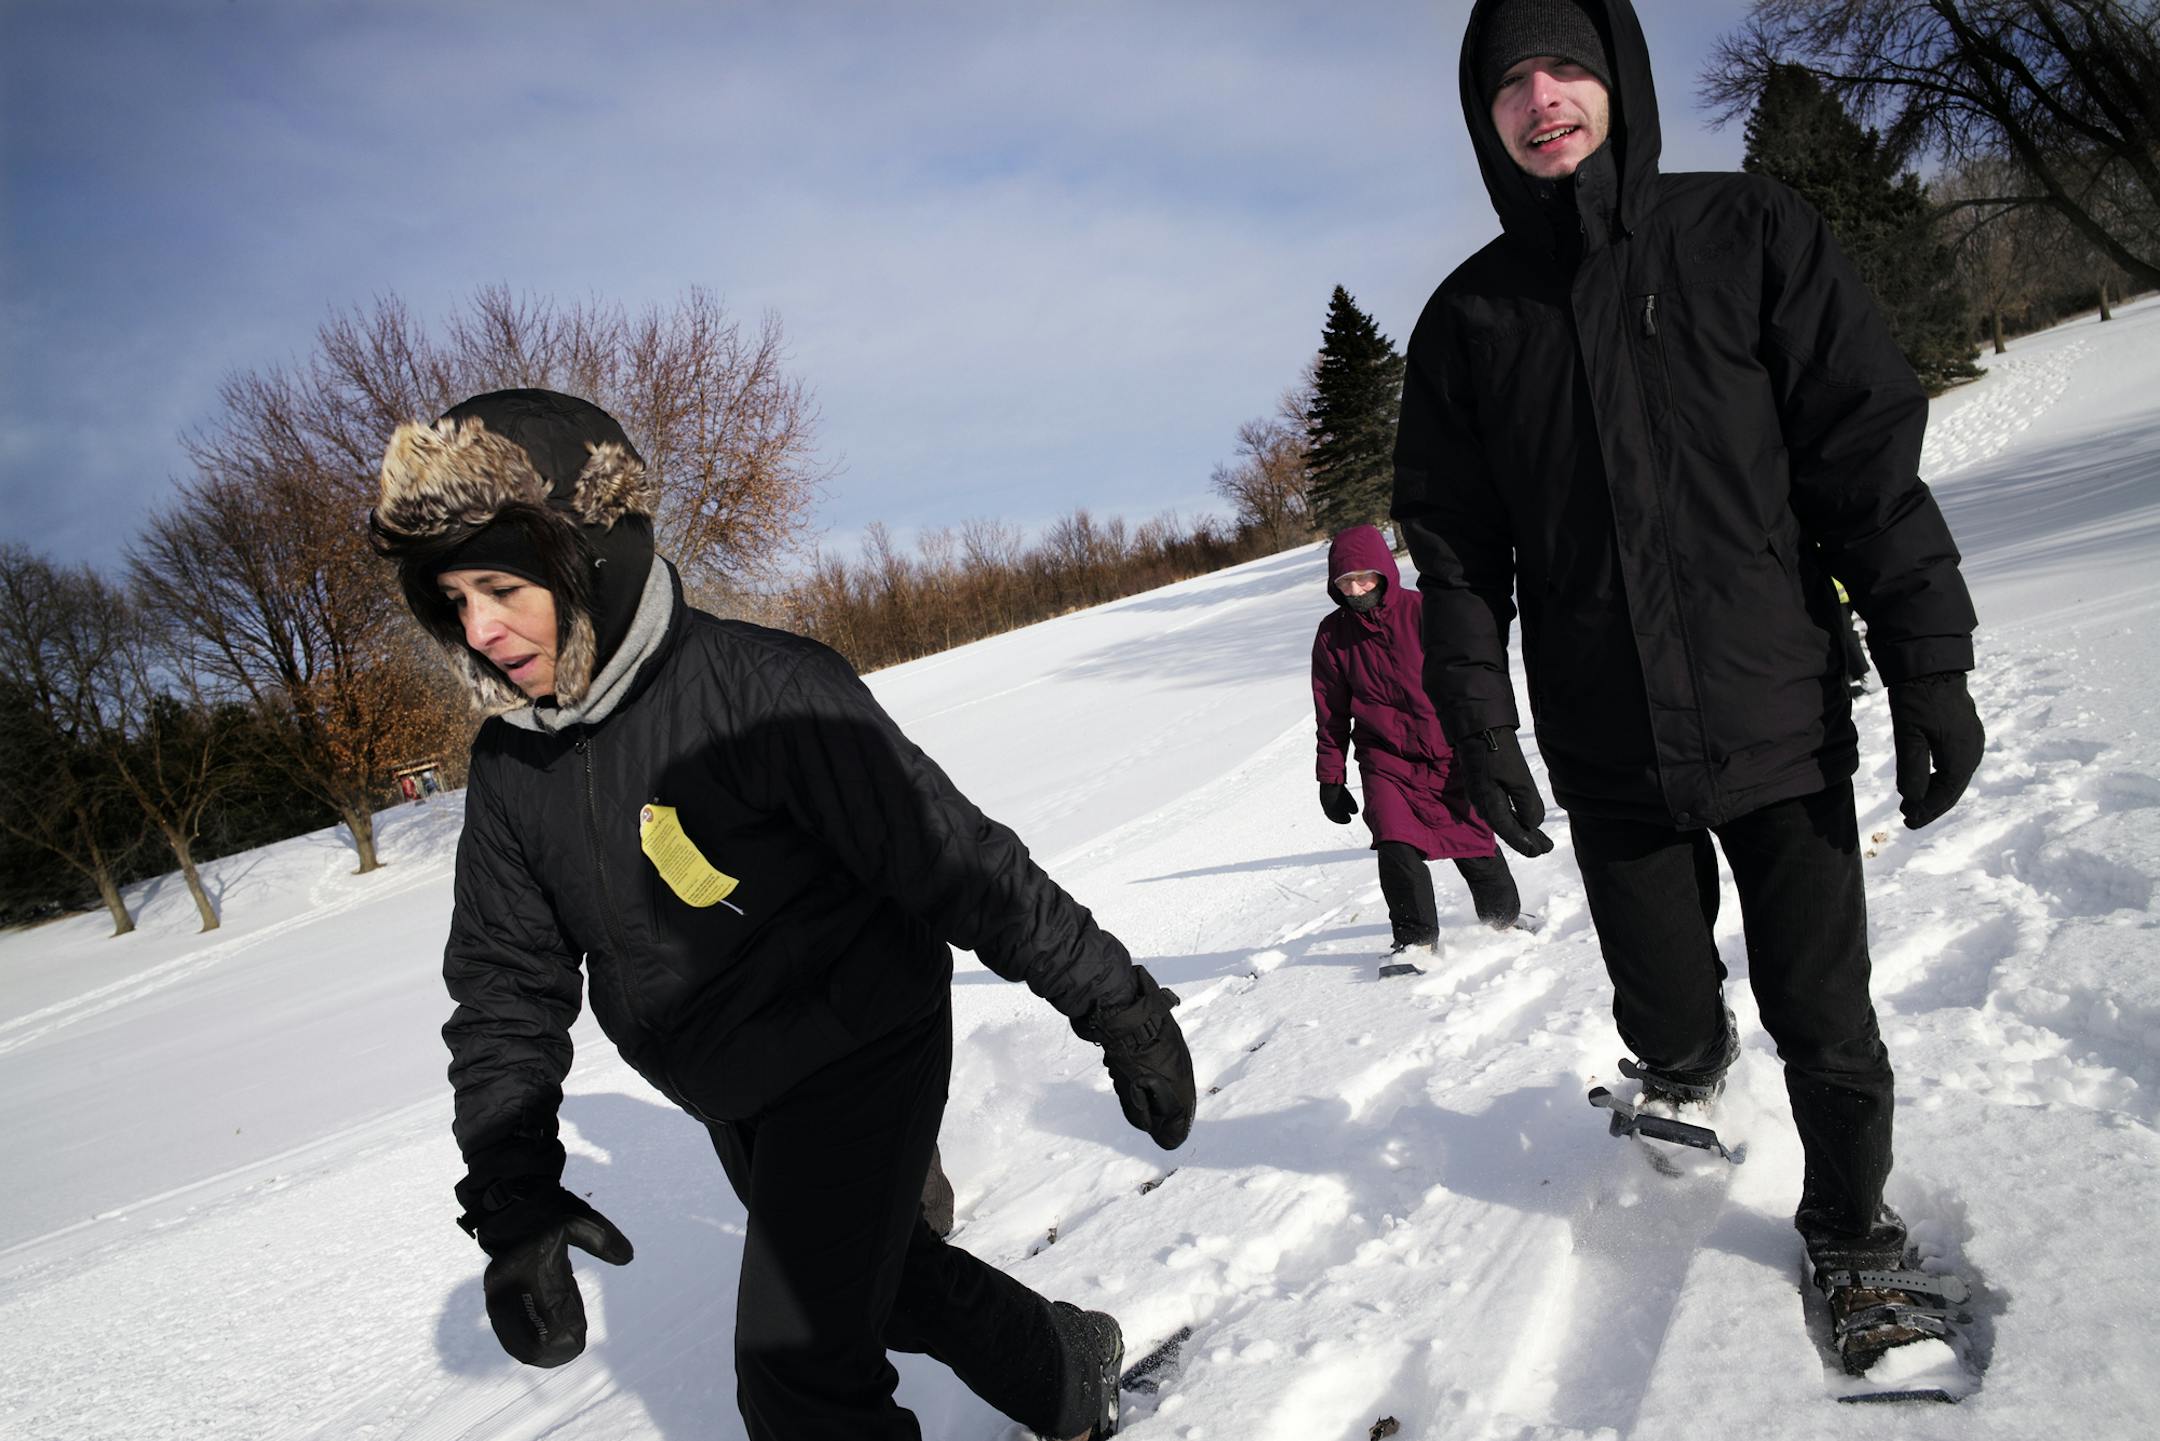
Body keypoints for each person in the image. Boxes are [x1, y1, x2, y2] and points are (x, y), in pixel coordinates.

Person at [367, 388, 1196, 1441]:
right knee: (881, 1278)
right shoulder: (511, 766)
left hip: (861, 1040)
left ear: (588, 551)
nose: (480, 628)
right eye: (452, 601)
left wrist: (1121, 1008)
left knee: (799, 1375)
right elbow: (505, 988)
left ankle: (1055, 1371)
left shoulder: (761, 689)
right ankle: (1065, 1370)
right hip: (730, 1083)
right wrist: (513, 1193)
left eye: (501, 585)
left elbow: (961, 863)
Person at [1391, 0, 1986, 1375]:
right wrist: (1478, 726)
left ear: (1618, 81)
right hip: (1610, 752)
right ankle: (1685, 1051)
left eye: (1567, 68)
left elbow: (1864, 466)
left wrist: (1927, 662)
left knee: (1826, 1016)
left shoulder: (1748, 235)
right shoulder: (1470, 319)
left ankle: (1851, 1229)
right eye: (1511, 81)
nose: (1544, 98)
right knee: (1658, 1009)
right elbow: (1459, 556)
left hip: (1777, 717)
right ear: (1484, 116)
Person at [1311, 524, 1518, 969]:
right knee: (1394, 843)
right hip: (1385, 759)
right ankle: (1415, 942)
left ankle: (1504, 922)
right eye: (1345, 582)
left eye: (1364, 577)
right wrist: (1331, 777)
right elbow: (1329, 712)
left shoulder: (1423, 611)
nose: (1356, 588)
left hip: (1448, 751)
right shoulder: (1332, 637)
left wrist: (1485, 736)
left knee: (1475, 839)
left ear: (1384, 571)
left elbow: (1468, 679)